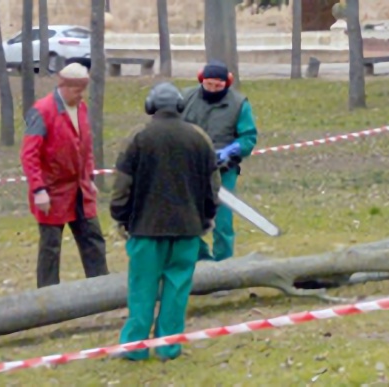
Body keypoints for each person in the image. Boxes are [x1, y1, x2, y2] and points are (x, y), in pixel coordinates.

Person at [110, 82, 221, 361]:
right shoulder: (200, 138)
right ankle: (169, 346)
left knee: (142, 289)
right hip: (187, 229)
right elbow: (212, 186)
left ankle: (134, 348)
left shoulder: (138, 137)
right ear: (180, 106)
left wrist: (120, 216)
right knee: (177, 289)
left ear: (151, 107)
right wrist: (206, 217)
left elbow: (122, 185)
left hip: (146, 229)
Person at [19, 62, 109, 288]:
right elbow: (29, 155)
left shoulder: (81, 108)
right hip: (51, 191)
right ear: (65, 87)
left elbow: (84, 147)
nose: (81, 96)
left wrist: (88, 178)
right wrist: (38, 190)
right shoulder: (42, 112)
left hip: (80, 189)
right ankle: (48, 296)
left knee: (93, 238)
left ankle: (101, 289)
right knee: (51, 246)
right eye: (78, 91)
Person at [181, 60, 258, 262]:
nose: (213, 90)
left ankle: (224, 265)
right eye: (209, 85)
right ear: (201, 80)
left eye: (218, 86)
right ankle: (202, 260)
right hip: (190, 171)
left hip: (223, 171)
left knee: (222, 222)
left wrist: (231, 150)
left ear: (227, 84)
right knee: (190, 219)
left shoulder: (239, 104)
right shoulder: (185, 98)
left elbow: (248, 138)